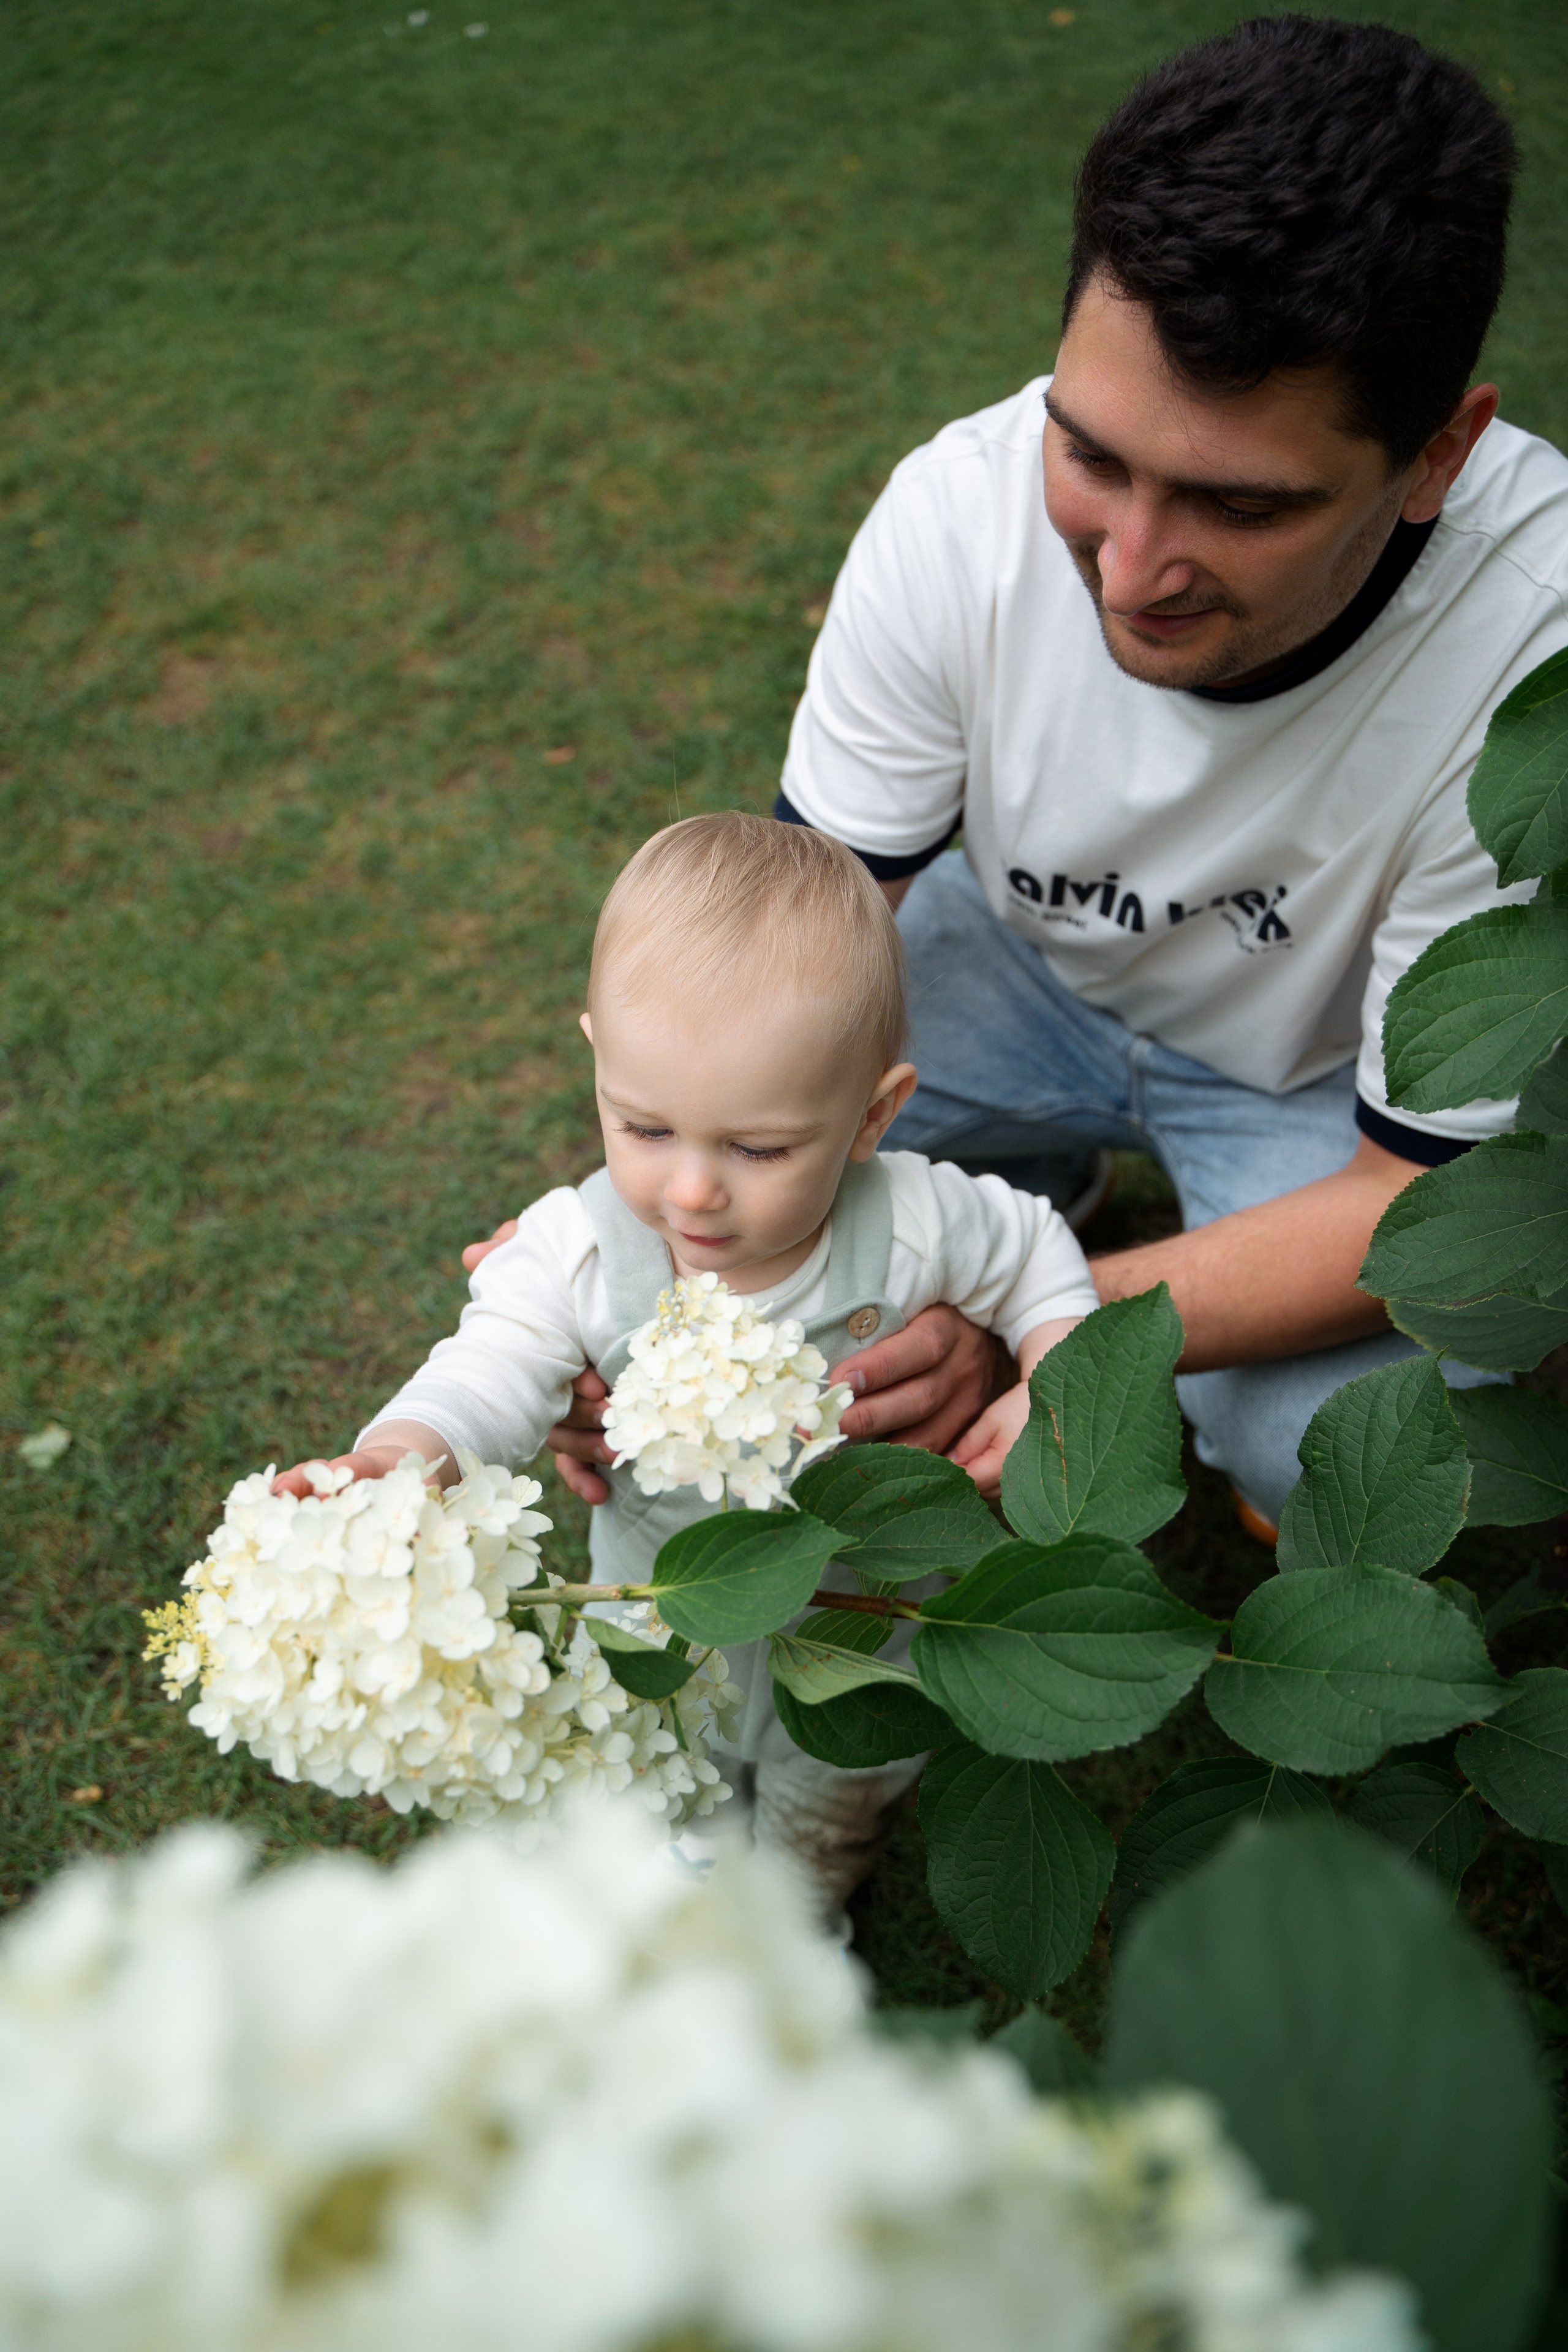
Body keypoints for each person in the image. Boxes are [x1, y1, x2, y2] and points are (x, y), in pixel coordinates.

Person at [527, 14, 1568, 1537]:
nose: (1132, 571)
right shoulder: (953, 512)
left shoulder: (1536, 650)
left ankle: (1018, 1226)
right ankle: (1018, 1175)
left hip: (1326, 1094)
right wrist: (605, 1278)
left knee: (1332, 1456)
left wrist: (1028, 1317)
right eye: (1091, 459)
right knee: (721, 1141)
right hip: (1019, 970)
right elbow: (773, 954)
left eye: (1237, 503)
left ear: (1436, 456)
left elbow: (1407, 1193)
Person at [277, 814, 1101, 1909]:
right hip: (666, 1611)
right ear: (599, 1065)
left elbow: (1036, 1249)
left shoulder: (910, 1221)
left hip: (865, 1609)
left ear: (873, 1115)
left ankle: (810, 1878)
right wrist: (404, 1457)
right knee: (677, 1757)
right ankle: (706, 1858)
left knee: (836, 1777)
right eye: (644, 1128)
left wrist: (1057, 1375)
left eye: (758, 1148)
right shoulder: (578, 1248)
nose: (694, 1190)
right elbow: (491, 1366)